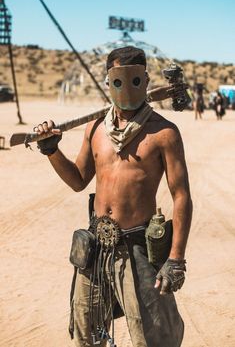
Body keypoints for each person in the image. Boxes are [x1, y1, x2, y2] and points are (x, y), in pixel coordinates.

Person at [34, 46, 192, 347]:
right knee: (87, 332)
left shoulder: (163, 133)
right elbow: (78, 180)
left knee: (155, 336)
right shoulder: (95, 129)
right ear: (108, 83)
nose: (127, 88)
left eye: (135, 80)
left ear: (146, 81)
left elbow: (181, 195)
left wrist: (176, 259)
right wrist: (52, 151)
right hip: (95, 246)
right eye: (118, 81)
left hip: (138, 247)